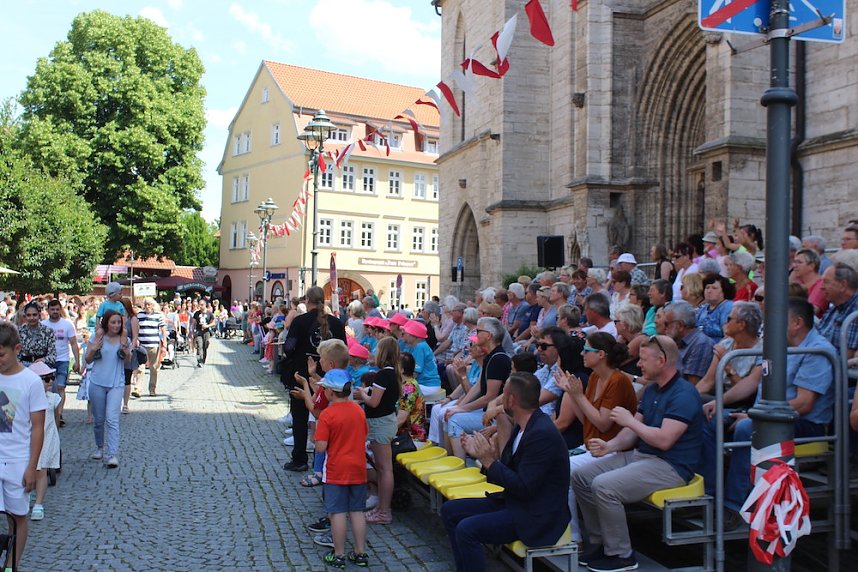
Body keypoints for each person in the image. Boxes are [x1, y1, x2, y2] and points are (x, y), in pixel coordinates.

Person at [699, 298, 835, 529]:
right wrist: (720, 402)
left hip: (803, 423)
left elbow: (804, 404)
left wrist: (755, 417)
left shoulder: (818, 351)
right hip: (765, 414)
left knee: (745, 428)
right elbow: (751, 383)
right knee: (711, 419)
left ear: (796, 323)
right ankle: (710, 497)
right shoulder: (776, 345)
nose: (767, 326)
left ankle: (734, 506)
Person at [571, 335, 703, 572]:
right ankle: (601, 542)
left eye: (643, 360)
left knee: (603, 485)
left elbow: (663, 440)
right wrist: (609, 446)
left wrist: (629, 421)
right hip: (643, 457)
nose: (638, 365)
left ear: (661, 360)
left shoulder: (684, 394)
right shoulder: (653, 389)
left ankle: (621, 555)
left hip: (670, 465)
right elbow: (631, 434)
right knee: (580, 476)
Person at [441, 372, 571, 572]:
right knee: (450, 511)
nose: (500, 398)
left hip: (537, 515)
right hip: (517, 502)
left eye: (503, 393)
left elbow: (524, 487)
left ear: (512, 400)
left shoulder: (541, 434)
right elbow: (509, 474)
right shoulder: (524, 426)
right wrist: (484, 457)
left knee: (467, 530)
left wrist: (489, 461)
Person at [555, 332, 638, 543]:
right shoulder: (594, 377)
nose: (582, 353)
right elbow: (588, 421)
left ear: (601, 354)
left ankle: (574, 537)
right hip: (593, 445)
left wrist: (578, 395)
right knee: (553, 462)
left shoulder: (617, 381)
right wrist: (572, 394)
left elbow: (603, 423)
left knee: (564, 469)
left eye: (587, 350)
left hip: (614, 449)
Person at [281, 286, 346, 472]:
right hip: (332, 378)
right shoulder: (337, 323)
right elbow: (344, 350)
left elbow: (288, 348)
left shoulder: (300, 321)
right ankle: (332, 459)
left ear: (307, 301)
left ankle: (300, 458)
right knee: (332, 417)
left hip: (302, 374)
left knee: (300, 417)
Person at [0, 322, 47, 568]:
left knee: (17, 517)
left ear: (16, 349)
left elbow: (38, 427)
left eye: (1, 355)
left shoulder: (30, 381)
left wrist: (33, 467)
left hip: (17, 460)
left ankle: (11, 564)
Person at [313, 369, 369, 569]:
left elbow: (320, 447)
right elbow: (363, 435)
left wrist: (317, 440)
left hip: (336, 468)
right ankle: (360, 552)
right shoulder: (358, 411)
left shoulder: (327, 414)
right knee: (357, 511)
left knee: (337, 512)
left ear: (329, 392)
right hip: (358, 467)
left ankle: (338, 554)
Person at [443, 318, 512, 459]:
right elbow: (479, 387)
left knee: (454, 419)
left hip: (495, 416)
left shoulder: (498, 358)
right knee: (450, 413)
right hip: (489, 411)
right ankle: (449, 458)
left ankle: (459, 465)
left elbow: (489, 396)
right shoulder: (491, 356)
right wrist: (459, 406)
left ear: (489, 336)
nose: (476, 334)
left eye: (479, 331)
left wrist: (461, 409)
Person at [353, 336, 401, 525]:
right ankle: (381, 508)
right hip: (383, 421)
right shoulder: (391, 373)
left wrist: (363, 393)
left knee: (384, 469)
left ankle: (384, 511)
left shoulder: (383, 374)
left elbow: (373, 402)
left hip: (381, 424)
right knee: (382, 469)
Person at [85, 311, 130, 468]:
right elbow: (88, 359)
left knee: (112, 419)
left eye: (119, 322)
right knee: (99, 420)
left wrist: (126, 351)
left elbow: (127, 361)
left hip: (116, 383)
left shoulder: (124, 339)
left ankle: (112, 454)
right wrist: (93, 348)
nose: (116, 325)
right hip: (97, 382)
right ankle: (99, 447)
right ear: (106, 323)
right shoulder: (97, 337)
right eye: (113, 322)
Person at [695, 302, 763, 401]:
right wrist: (690, 398)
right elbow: (707, 382)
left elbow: (747, 392)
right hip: (720, 396)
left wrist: (728, 366)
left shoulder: (760, 351)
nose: (725, 322)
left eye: (729, 319)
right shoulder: (725, 345)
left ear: (741, 325)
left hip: (742, 401)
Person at [27, 362, 61, 522]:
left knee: (41, 472)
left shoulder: (52, 398)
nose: (50, 382)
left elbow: (55, 417)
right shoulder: (25, 399)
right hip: (28, 440)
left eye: (51, 378)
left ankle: (38, 503)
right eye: (46, 379)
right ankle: (27, 496)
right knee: (28, 470)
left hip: (47, 438)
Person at [41, 299, 80, 424]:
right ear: (48, 310)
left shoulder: (67, 324)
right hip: (47, 360)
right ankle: (48, 412)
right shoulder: (43, 324)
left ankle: (59, 414)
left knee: (61, 387)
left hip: (63, 359)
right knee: (47, 387)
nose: (55, 311)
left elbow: (74, 343)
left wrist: (77, 361)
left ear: (61, 310)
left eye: (57, 309)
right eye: (52, 309)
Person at [664, 301, 714, 384]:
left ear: (680, 325)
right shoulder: (676, 341)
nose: (664, 328)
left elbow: (692, 384)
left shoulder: (701, 344)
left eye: (666, 324)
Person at [818, 262, 858, 359]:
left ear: (843, 285)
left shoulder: (855, 313)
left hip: (830, 370)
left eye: (826, 282)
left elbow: (846, 358)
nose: (821, 287)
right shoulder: (835, 307)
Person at [401, 320, 442, 397]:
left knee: (398, 390)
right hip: (425, 384)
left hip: (428, 385)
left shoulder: (420, 347)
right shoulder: (416, 346)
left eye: (404, 334)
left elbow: (415, 373)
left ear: (413, 335)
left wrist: (401, 382)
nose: (403, 336)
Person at [137, 297, 167, 396]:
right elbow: (136, 328)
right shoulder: (139, 315)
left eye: (149, 304)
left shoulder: (159, 315)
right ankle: (138, 389)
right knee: (140, 368)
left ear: (153, 305)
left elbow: (163, 330)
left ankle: (152, 389)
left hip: (154, 345)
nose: (147, 306)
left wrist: (164, 344)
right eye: (146, 304)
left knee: (153, 368)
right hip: (141, 345)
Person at [696, 274, 735, 343]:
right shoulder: (703, 308)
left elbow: (728, 335)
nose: (709, 291)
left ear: (724, 291)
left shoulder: (728, 306)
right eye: (707, 288)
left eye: (714, 288)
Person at [397, 352, 425, 442]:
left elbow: (401, 419)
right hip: (403, 433)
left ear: (401, 370)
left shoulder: (409, 388)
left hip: (411, 437)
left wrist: (384, 435)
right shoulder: (405, 383)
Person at [17, 302, 56, 368]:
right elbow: (16, 353)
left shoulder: (48, 331)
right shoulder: (19, 331)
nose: (32, 318)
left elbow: (53, 355)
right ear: (25, 316)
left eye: (34, 315)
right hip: (24, 367)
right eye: (28, 315)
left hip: (43, 366)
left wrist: (43, 360)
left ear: (39, 315)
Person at [192, 300, 215, 368]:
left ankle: (203, 359)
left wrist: (207, 326)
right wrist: (192, 331)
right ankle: (200, 361)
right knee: (199, 346)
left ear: (205, 305)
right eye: (199, 305)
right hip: (199, 331)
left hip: (206, 332)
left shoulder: (209, 313)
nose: (200, 306)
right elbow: (194, 322)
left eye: (202, 305)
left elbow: (213, 323)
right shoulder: (196, 313)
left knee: (205, 346)